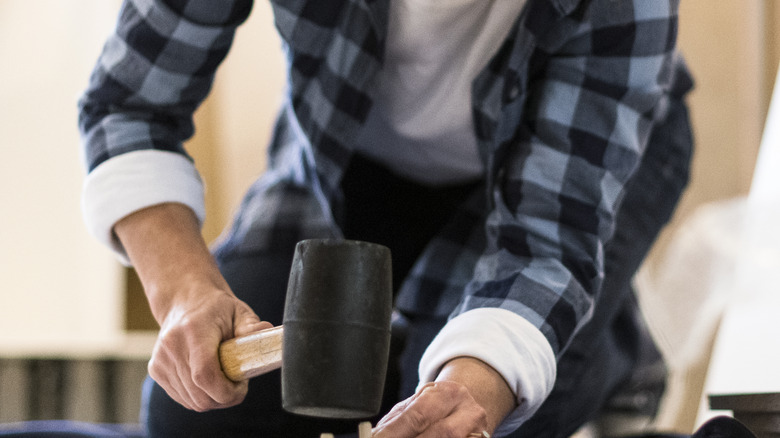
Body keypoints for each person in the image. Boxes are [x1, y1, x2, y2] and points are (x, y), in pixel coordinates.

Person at [78, 0, 694, 436]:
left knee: (479, 415)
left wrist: (470, 388)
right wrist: (187, 293)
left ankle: (613, 350)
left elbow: (543, 244)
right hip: (352, 157)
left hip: (570, 169)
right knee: (198, 420)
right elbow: (130, 106)